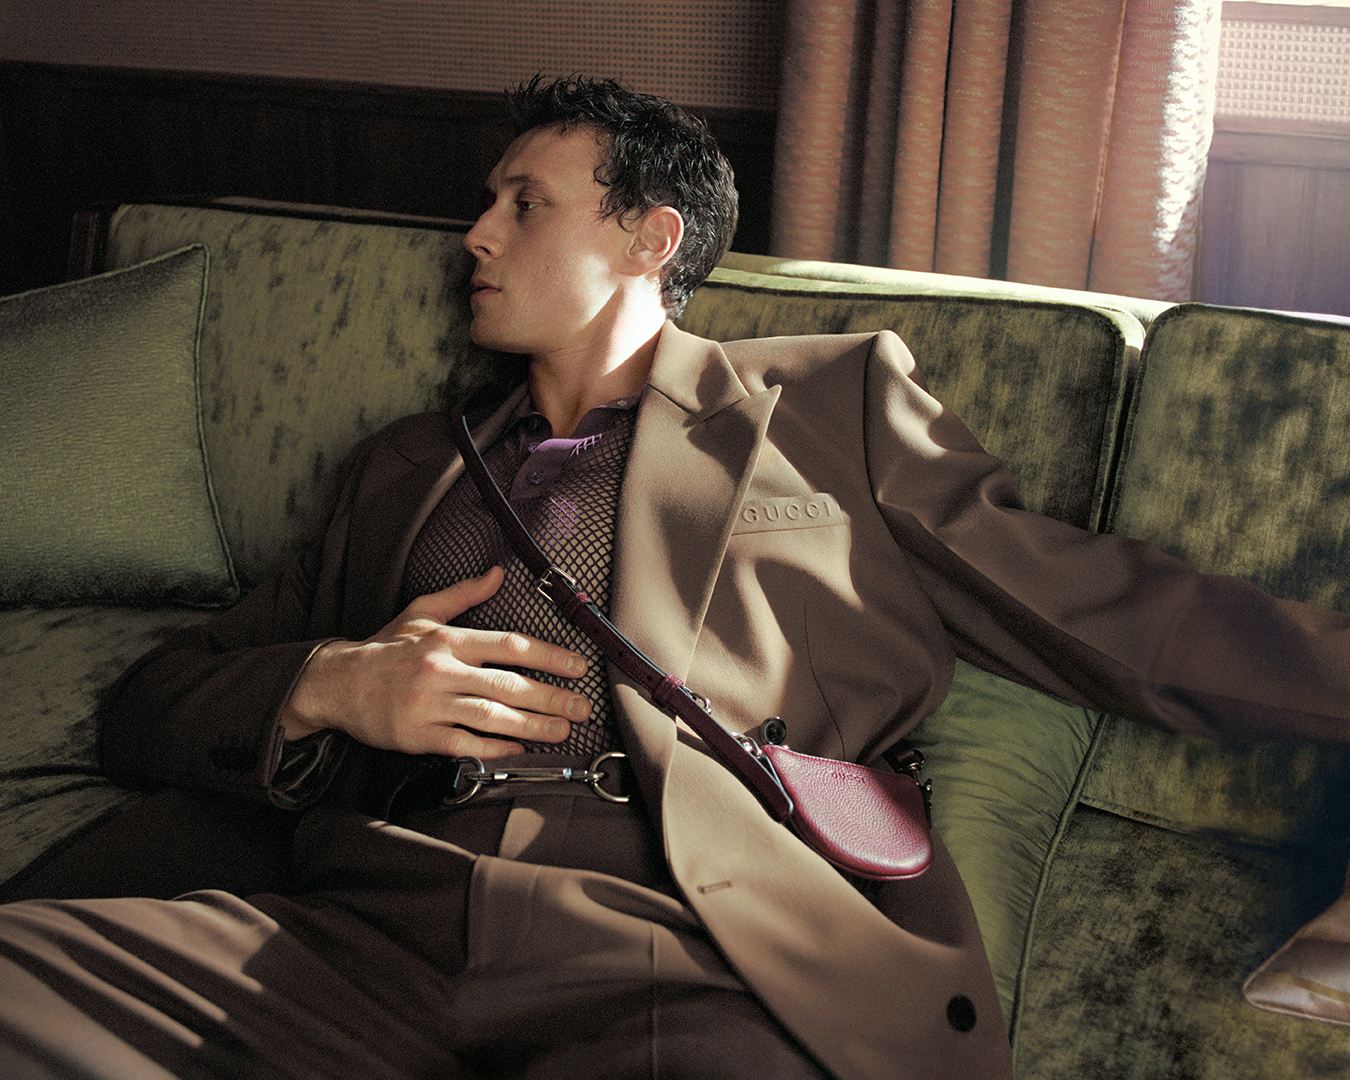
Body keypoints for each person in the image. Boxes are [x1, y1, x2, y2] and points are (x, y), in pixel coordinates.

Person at [2, 74, 1349, 1080]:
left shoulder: (826, 407)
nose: (474, 235)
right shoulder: (405, 463)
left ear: (651, 239)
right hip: (360, 923)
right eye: (484, 202)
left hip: (674, 943)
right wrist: (335, 689)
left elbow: (1104, 610)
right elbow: (154, 701)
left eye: (523, 203)